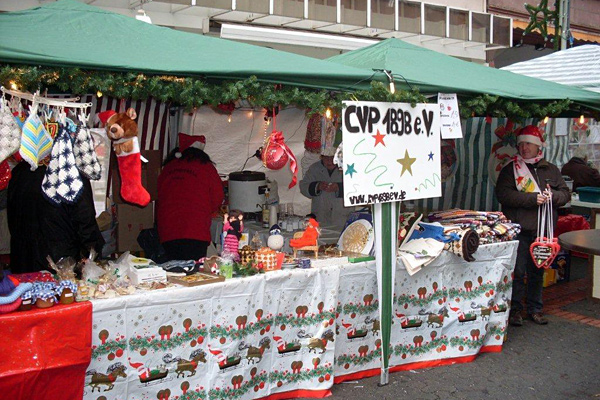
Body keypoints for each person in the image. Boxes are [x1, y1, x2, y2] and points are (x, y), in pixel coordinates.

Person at [495, 125, 570, 327]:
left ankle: (535, 309)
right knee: (518, 272)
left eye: (528, 143)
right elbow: (503, 195)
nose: (524, 147)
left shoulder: (551, 170)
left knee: (538, 270)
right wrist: (532, 198)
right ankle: (516, 310)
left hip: (542, 230)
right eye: (521, 144)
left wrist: (552, 196)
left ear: (537, 146)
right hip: (519, 228)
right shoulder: (511, 170)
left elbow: (565, 194)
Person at [7, 161, 104, 273]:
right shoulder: (71, 173)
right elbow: (85, 221)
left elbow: (12, 220)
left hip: (23, 262)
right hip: (61, 264)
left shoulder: (19, 172)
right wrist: (92, 253)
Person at [157, 133, 224, 261]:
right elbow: (217, 197)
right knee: (194, 273)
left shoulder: (168, 167)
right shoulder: (206, 167)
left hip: (168, 230)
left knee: (173, 270)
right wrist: (206, 209)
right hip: (195, 229)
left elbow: (160, 193)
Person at [299, 148, 350, 231]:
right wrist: (317, 186)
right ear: (321, 157)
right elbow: (303, 187)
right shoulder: (314, 168)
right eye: (326, 158)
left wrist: (339, 188)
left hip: (342, 218)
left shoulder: (348, 167)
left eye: (332, 158)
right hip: (320, 218)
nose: (329, 161)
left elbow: (357, 188)